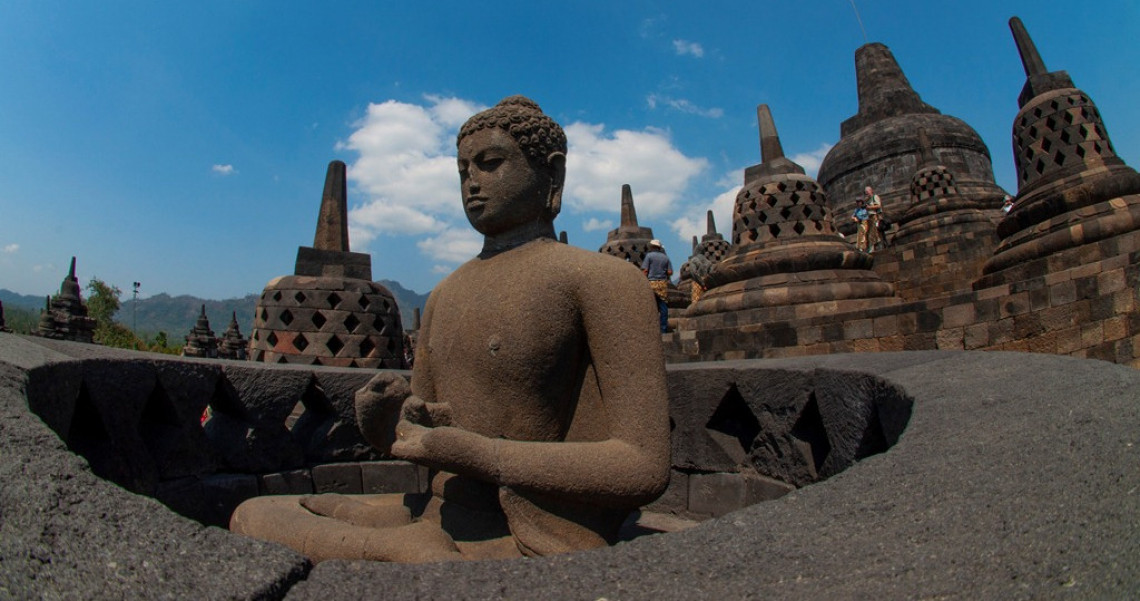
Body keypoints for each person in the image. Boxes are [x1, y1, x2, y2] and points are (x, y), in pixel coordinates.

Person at [230, 96, 670, 563]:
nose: (472, 183)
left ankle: (413, 557)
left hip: (530, 531)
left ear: (553, 174)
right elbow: (423, 434)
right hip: (435, 513)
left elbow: (642, 464)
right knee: (258, 512)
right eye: (463, 171)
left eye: (490, 163)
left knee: (404, 555)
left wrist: (484, 456)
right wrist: (387, 424)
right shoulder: (443, 294)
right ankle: (404, 551)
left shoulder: (604, 281)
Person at [641, 240, 673, 333]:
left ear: (652, 247)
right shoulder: (665, 258)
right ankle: (663, 329)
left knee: (651, 304)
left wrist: (643, 280)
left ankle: (650, 329)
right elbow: (670, 272)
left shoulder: (649, 256)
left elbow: (645, 270)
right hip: (662, 284)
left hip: (652, 283)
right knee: (663, 306)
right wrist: (663, 273)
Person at [864, 186, 883, 253]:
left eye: (867, 191)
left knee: (873, 232)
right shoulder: (867, 200)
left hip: (874, 216)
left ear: (871, 191)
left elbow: (879, 205)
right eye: (865, 192)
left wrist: (870, 207)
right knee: (869, 233)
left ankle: (873, 247)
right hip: (869, 218)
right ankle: (873, 246)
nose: (866, 193)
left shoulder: (875, 197)